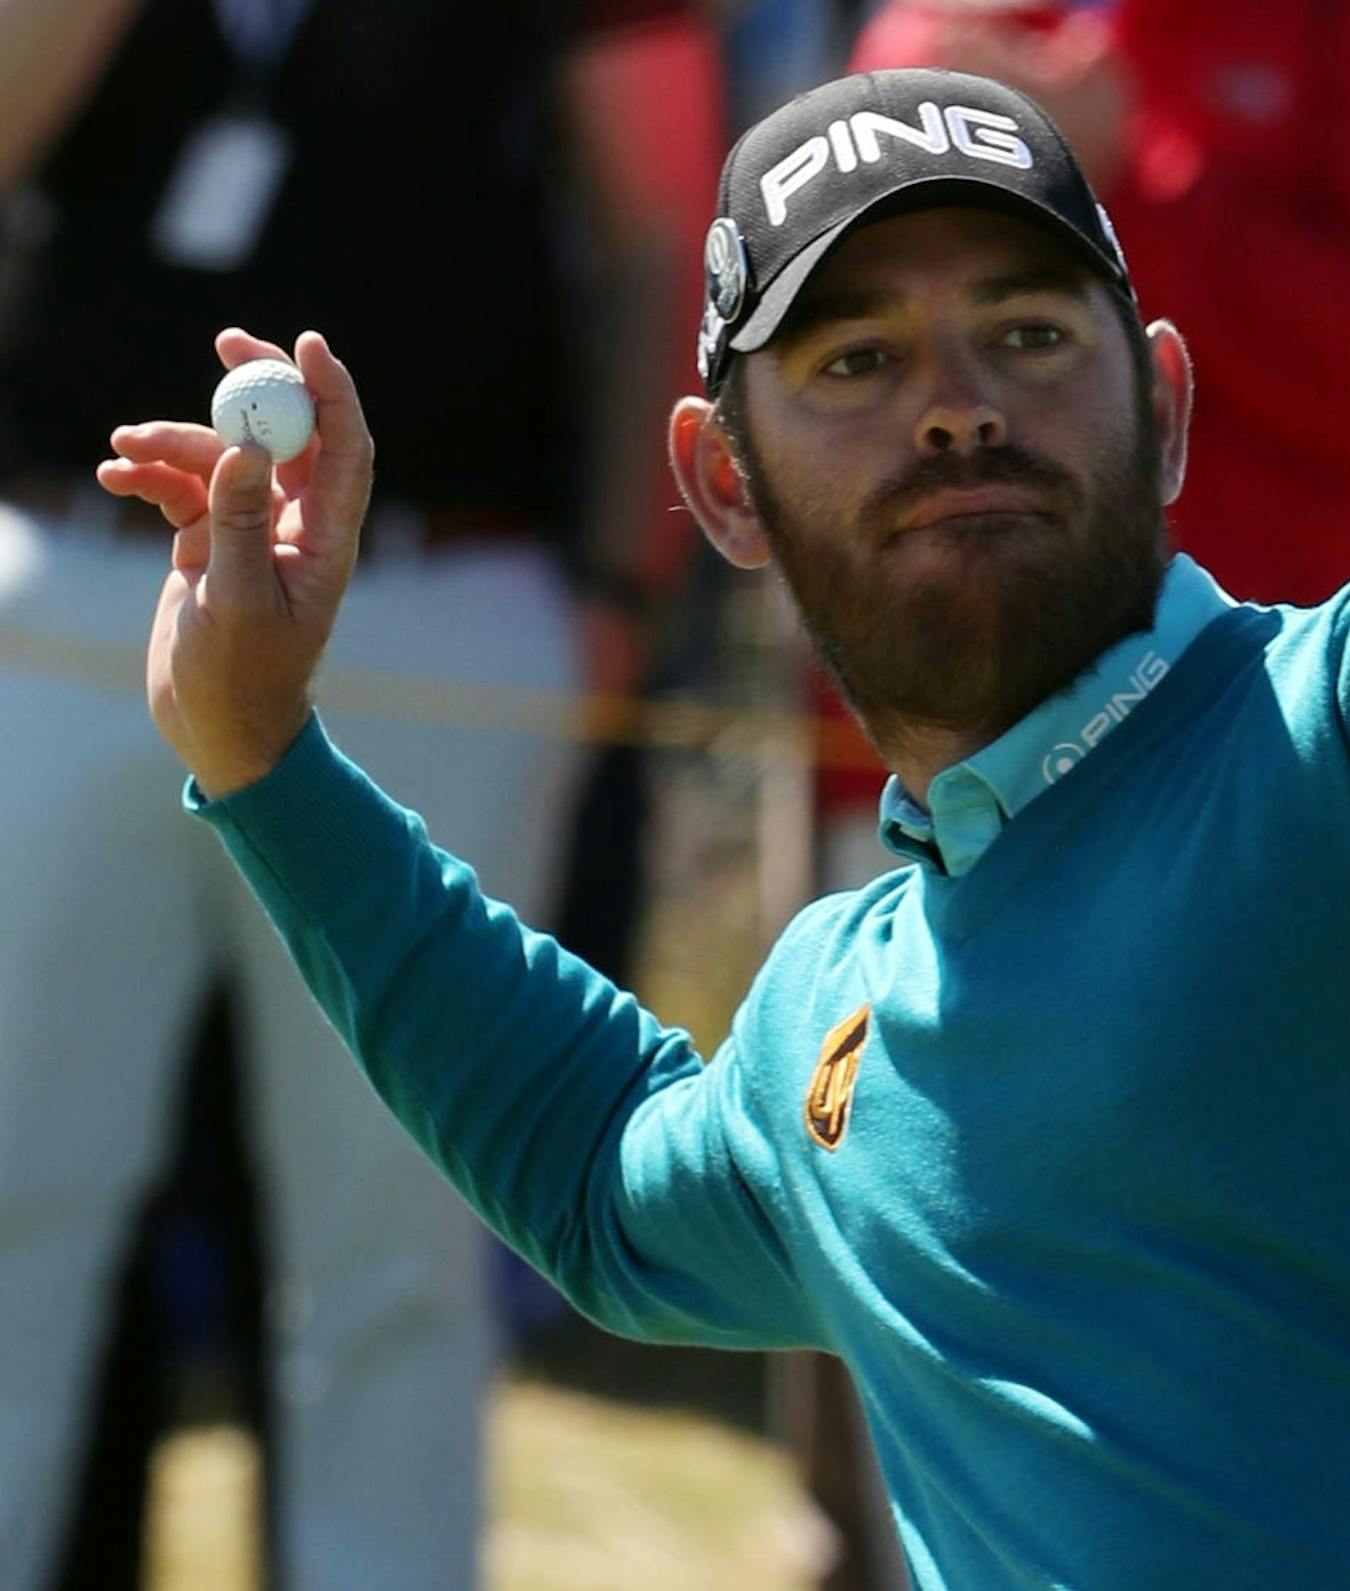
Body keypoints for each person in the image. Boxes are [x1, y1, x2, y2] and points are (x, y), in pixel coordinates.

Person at [105, 68, 1350, 1588]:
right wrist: (266, 759)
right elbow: (598, 1175)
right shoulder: (832, 1019)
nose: (960, 406)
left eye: (1026, 331)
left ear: (1164, 411)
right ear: (720, 487)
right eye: (855, 364)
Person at [0, 2, 722, 1586]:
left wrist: (614, 592)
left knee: (396, 1246)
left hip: (433, 618)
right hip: (63, 589)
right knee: (12, 1205)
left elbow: (667, 227)